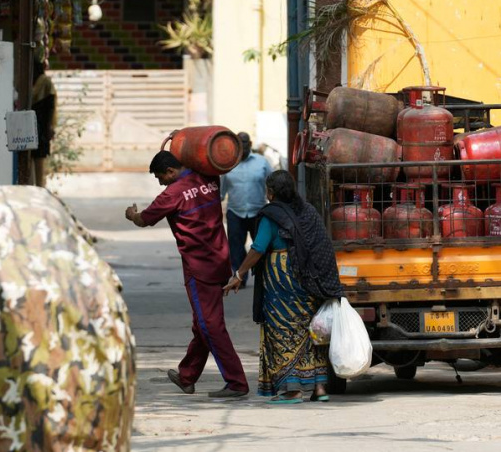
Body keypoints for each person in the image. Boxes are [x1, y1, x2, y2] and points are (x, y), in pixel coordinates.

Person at [124, 151, 250, 398]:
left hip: (199, 267)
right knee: (202, 322)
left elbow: (143, 220)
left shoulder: (172, 194)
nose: (160, 183)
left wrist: (131, 214)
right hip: (220, 260)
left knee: (210, 325)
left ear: (170, 171)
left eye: (160, 177)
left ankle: (236, 382)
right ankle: (187, 376)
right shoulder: (209, 178)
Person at [223, 170, 344, 404]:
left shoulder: (271, 216)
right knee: (313, 331)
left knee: (282, 331)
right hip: (309, 278)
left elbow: (258, 248)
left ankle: (293, 390)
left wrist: (239, 273)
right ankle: (320, 388)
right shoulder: (308, 211)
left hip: (282, 279)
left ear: (271, 192)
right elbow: (322, 243)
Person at [220, 132, 272, 288]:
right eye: (238, 143)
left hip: (259, 212)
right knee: (236, 248)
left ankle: (264, 277)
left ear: (249, 144)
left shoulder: (262, 162)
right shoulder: (227, 165)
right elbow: (221, 193)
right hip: (235, 212)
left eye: (244, 143)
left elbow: (272, 185)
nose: (241, 147)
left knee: (262, 246)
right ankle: (239, 278)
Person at [31, 59, 57, 188]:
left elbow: (50, 107)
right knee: (37, 164)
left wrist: (48, 127)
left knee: (35, 163)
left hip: (38, 127)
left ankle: (38, 188)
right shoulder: (43, 82)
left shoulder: (40, 82)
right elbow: (51, 107)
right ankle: (38, 188)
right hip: (39, 127)